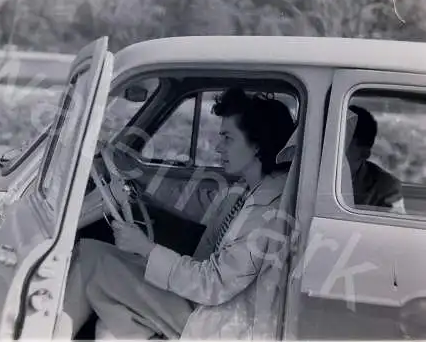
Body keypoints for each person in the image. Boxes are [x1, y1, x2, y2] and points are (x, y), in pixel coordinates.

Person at [62, 87, 296, 340]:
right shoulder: (246, 188)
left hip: (214, 317)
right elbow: (194, 199)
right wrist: (137, 174)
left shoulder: (268, 212)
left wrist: (145, 248)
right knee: (101, 284)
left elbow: (213, 285)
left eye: (227, 138)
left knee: (91, 260)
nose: (218, 148)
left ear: (258, 145)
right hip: (197, 298)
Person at [347, 105, 405, 213]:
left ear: (364, 153)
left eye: (344, 143)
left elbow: (389, 227)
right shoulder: (311, 171)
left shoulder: (386, 187)